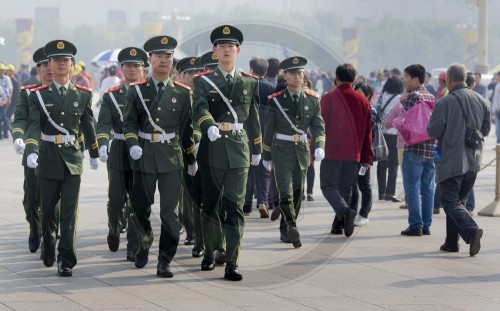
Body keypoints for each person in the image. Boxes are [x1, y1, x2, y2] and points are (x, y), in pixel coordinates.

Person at [122, 36, 197, 278]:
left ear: (172, 60)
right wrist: (132, 144)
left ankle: (165, 259)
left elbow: (186, 130)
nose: (164, 60)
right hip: (143, 156)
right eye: (158, 56)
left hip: (171, 159)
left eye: (168, 56)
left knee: (170, 213)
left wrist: (192, 158)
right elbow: (129, 123)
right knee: (140, 208)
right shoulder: (136, 91)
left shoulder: (183, 93)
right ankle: (144, 243)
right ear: (150, 60)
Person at [24, 40, 100, 276]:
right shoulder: (37, 96)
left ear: (72, 66)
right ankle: (49, 244)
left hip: (72, 160)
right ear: (49, 64)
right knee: (47, 211)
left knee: (69, 213)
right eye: (56, 61)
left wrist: (95, 153)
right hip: (47, 158)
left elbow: (88, 125)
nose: (60, 64)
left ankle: (66, 258)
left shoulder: (83, 95)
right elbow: (33, 126)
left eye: (65, 61)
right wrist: (32, 149)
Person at [192, 25, 261, 281]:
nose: (226, 50)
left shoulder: (249, 82)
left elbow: (253, 117)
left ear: (238, 50)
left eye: (230, 46)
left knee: (235, 207)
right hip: (212, 149)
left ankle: (232, 261)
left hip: (239, 150)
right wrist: (208, 125)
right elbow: (198, 108)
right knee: (210, 206)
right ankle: (210, 252)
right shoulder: (203, 82)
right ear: (214, 51)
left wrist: (257, 148)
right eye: (221, 46)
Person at [427, 63, 490, 256]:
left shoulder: (445, 102)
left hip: (451, 159)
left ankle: (471, 231)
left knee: (449, 201)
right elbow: (485, 130)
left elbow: (433, 131)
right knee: (458, 201)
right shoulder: (481, 100)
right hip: (473, 160)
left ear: (450, 79)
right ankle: (451, 243)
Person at [262, 56, 325, 247]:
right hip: (281, 151)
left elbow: (318, 126)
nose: (298, 76)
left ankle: (286, 226)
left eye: (300, 73)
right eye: (293, 73)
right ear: (285, 75)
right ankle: (291, 226)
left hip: (302, 152)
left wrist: (320, 145)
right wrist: (266, 155)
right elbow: (268, 130)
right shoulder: (276, 100)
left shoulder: (313, 99)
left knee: (298, 193)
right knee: (285, 193)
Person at [96, 47, 148, 261]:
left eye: (137, 66)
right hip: (118, 150)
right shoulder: (112, 96)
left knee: (137, 201)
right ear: (121, 69)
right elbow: (104, 124)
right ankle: (114, 227)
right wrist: (102, 143)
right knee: (116, 200)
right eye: (128, 66)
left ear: (143, 68)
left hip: (142, 152)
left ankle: (134, 246)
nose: (133, 69)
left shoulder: (150, 95)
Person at [320, 63, 372, 237]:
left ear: (337, 77)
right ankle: (338, 225)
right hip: (354, 154)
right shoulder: (364, 101)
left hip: (332, 151)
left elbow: (320, 127)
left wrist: (315, 148)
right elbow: (367, 132)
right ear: (354, 79)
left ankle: (344, 211)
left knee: (328, 186)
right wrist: (366, 156)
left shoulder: (328, 98)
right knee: (345, 189)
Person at [11, 47, 54, 254]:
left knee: (54, 202)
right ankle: (35, 229)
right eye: (45, 65)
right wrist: (19, 136)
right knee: (30, 201)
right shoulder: (28, 93)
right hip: (33, 151)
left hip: (57, 153)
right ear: (39, 68)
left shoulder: (67, 93)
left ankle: (50, 236)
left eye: (52, 63)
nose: (50, 68)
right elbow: (19, 118)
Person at [400, 64, 436, 236]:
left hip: (415, 148)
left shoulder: (413, 96)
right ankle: (426, 224)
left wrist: (403, 103)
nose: (404, 80)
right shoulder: (431, 96)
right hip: (430, 148)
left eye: (406, 77)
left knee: (412, 187)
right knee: (428, 188)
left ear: (415, 79)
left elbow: (409, 123)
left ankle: (415, 225)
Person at [244, 57, 275, 217]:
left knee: (248, 169)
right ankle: (263, 201)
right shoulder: (271, 87)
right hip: (266, 132)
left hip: (248, 132)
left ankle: (247, 205)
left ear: (251, 69)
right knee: (264, 169)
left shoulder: (246, 85)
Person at [374, 76, 404, 202]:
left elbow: (375, 112)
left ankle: (381, 193)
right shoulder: (399, 99)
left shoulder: (379, 97)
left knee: (382, 164)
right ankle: (389, 193)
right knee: (393, 165)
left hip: (381, 134)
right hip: (394, 134)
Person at [351, 81, 375, 226]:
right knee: (353, 184)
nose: (356, 96)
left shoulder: (371, 111)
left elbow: (369, 136)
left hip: (365, 154)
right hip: (353, 153)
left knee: (364, 184)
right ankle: (352, 212)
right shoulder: (354, 109)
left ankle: (364, 214)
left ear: (368, 95)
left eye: (359, 94)